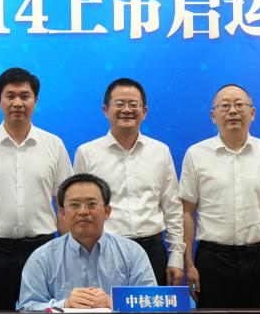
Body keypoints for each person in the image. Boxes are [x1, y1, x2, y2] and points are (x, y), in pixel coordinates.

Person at [0, 67, 72, 311]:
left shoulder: (54, 145)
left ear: (35, 100)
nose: (17, 103)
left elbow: (64, 206)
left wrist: (67, 256)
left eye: (25, 96)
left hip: (44, 249)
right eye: (10, 96)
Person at [180, 84, 260, 309]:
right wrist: (189, 264)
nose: (232, 110)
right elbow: (186, 212)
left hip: (259, 260)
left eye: (239, 104)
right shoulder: (196, 154)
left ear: (252, 113)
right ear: (213, 116)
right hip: (211, 261)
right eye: (225, 106)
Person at [73, 77, 184, 286]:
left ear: (144, 111)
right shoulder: (87, 153)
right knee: (105, 307)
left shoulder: (160, 152)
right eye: (119, 104)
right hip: (105, 251)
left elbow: (173, 209)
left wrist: (176, 258)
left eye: (133, 104)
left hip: (152, 251)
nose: (127, 109)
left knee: (150, 308)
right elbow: (77, 208)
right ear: (106, 110)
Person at [18, 173, 157, 312]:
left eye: (91, 204)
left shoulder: (132, 253)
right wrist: (64, 305)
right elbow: (27, 308)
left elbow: (152, 303)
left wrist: (113, 302)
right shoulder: (42, 257)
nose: (83, 211)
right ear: (62, 213)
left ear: (107, 211)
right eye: (74, 205)